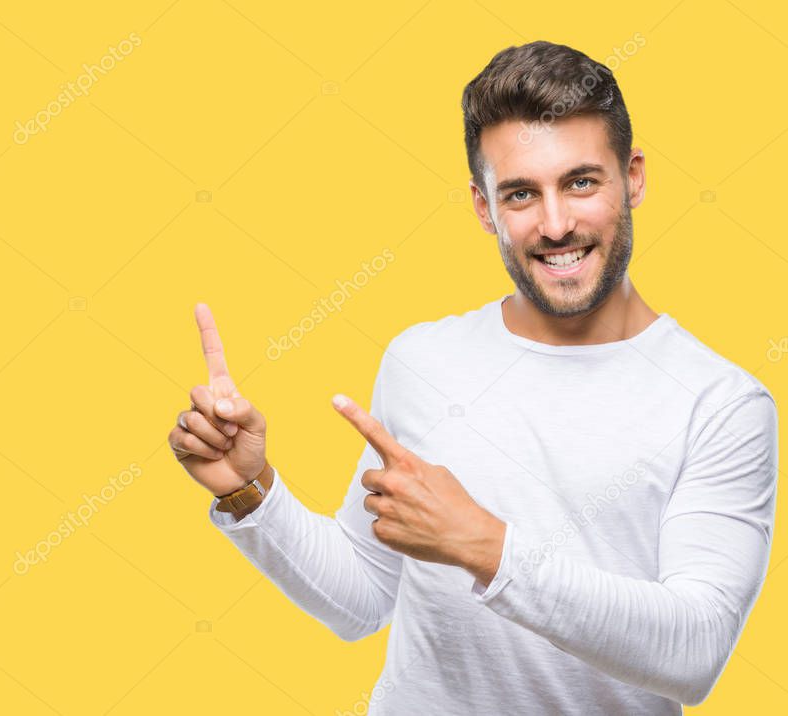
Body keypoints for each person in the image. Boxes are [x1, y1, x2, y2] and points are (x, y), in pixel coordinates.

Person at [168, 40, 778, 714]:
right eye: (520, 193)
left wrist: (480, 545)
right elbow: (362, 600)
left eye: (580, 181)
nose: (555, 224)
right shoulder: (422, 360)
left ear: (631, 177)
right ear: (484, 207)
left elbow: (692, 651)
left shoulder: (720, 403)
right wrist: (250, 492)